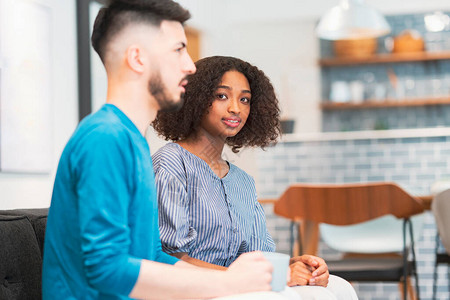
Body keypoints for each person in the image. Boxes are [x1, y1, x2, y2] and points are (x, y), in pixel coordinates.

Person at [42, 2, 278, 299]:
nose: (190, 66)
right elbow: (106, 268)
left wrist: (239, 280)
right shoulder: (105, 138)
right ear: (138, 58)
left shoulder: (134, 142)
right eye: (178, 49)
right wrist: (228, 284)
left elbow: (154, 255)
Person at [152, 56, 359, 299]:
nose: (235, 108)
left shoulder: (243, 182)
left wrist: (298, 266)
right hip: (194, 289)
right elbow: (169, 258)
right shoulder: (170, 165)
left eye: (245, 100)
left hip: (240, 286)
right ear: (195, 99)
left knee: (337, 287)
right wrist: (251, 279)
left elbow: (259, 255)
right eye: (221, 96)